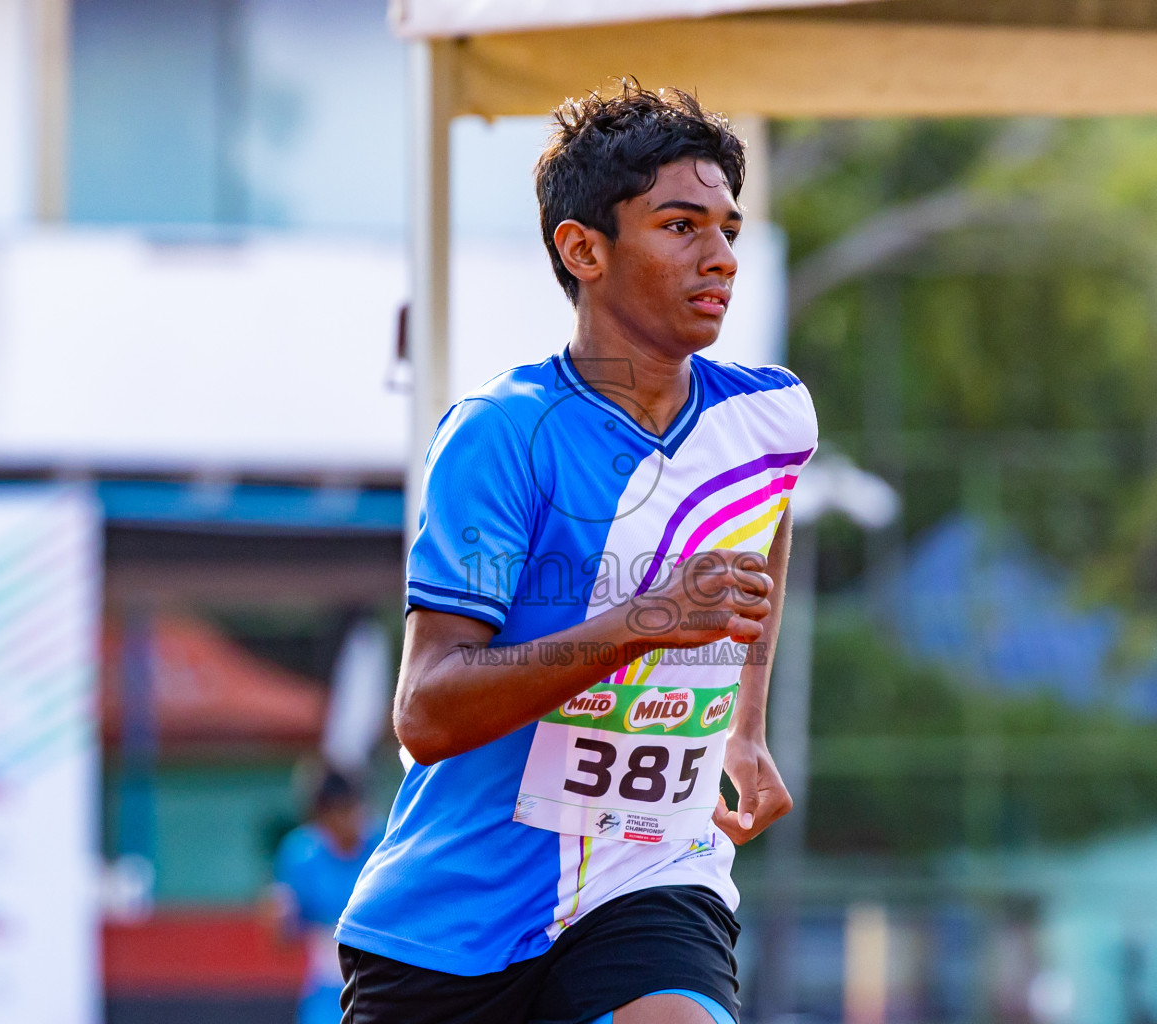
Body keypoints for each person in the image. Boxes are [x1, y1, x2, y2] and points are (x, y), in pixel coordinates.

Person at [333, 82, 818, 1024]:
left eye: (728, 228)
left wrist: (746, 722)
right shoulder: (502, 434)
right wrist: (647, 621)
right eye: (680, 226)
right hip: (457, 921)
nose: (721, 256)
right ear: (584, 249)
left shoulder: (771, 417)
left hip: (654, 876)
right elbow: (426, 713)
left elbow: (771, 510)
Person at [268, 769, 379, 1024]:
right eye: (339, 812)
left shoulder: (385, 844)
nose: (349, 820)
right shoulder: (299, 854)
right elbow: (283, 938)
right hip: (327, 988)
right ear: (322, 817)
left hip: (382, 978)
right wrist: (280, 917)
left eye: (352, 808)